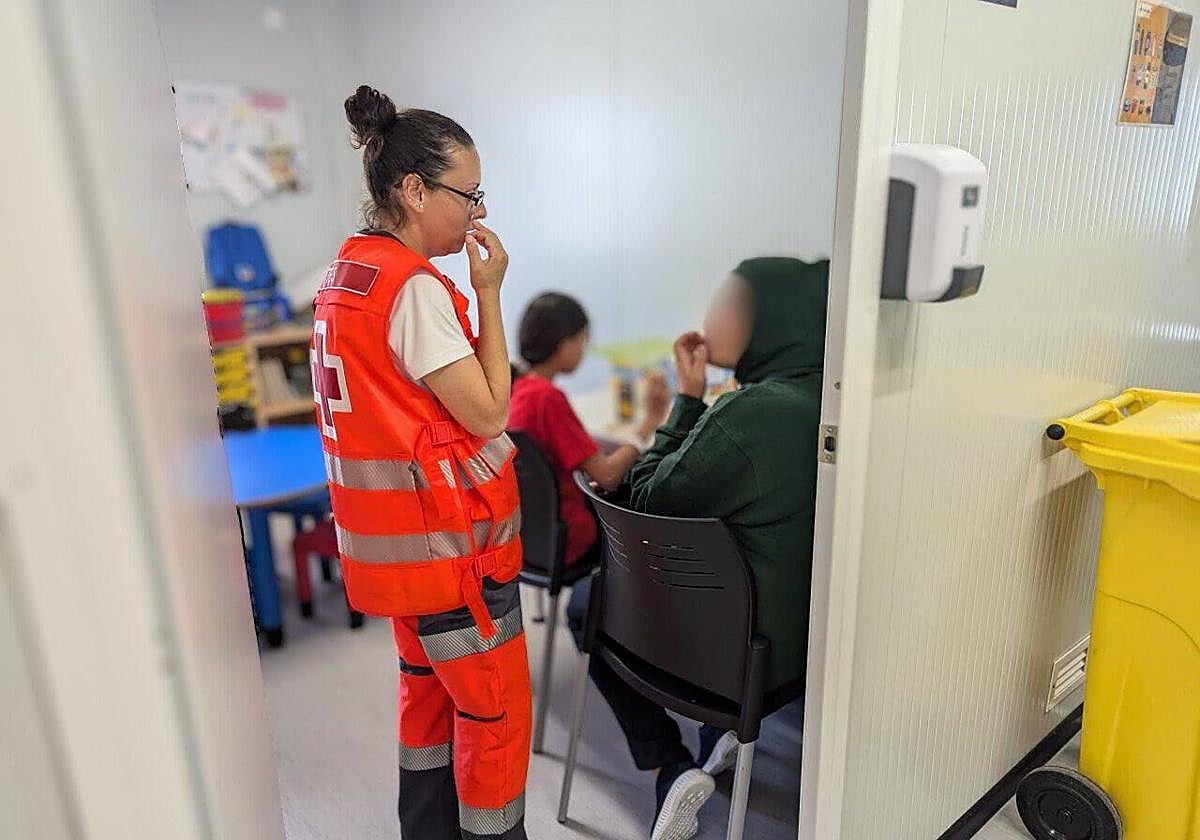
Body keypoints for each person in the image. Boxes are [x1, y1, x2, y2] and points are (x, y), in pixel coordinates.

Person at [313, 85, 530, 840]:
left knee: (429, 711)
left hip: (398, 559)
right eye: (468, 196)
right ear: (412, 190)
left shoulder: (348, 273)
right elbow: (490, 411)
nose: (477, 214)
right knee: (495, 727)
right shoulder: (414, 290)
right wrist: (490, 294)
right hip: (453, 558)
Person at [566, 256, 829, 840]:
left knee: (583, 603)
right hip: (792, 640)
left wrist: (686, 399)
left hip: (727, 655)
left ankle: (669, 765)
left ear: (774, 322)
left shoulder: (753, 412)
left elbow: (645, 496)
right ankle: (718, 737)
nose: (708, 317)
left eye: (727, 305)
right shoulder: (818, 400)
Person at [508, 292, 671, 568]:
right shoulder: (547, 399)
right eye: (582, 341)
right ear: (564, 344)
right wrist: (650, 423)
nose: (584, 350)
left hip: (529, 539)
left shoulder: (517, 389)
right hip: (571, 539)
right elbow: (606, 476)